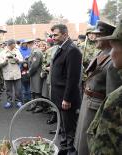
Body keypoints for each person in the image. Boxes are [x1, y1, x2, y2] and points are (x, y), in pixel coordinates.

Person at [74, 21, 122, 155]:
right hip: (88, 102)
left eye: (98, 35)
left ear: (107, 38)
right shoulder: (99, 54)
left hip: (95, 108)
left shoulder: (113, 62)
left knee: (87, 144)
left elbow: (111, 97)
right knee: (81, 140)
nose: (94, 38)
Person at [50, 24, 82, 154]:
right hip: (59, 95)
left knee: (69, 129)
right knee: (63, 126)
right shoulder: (61, 48)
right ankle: (63, 149)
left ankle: (71, 151)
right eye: (52, 35)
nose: (53, 38)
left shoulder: (72, 50)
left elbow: (73, 78)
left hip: (66, 98)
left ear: (65, 34)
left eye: (56, 35)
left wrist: (67, 99)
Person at [0, 39, 23, 108]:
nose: (15, 45)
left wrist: (17, 59)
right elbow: (0, 64)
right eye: (14, 44)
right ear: (10, 44)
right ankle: (9, 102)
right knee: (8, 90)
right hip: (7, 73)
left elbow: (21, 60)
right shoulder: (2, 52)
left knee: (18, 89)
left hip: (16, 73)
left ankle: (18, 101)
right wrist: (5, 61)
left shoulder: (17, 51)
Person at [26, 39, 44, 113]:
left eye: (28, 45)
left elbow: (34, 65)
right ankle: (34, 105)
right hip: (34, 74)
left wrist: (29, 72)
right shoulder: (33, 52)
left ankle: (39, 106)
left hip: (36, 74)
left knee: (37, 90)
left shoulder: (36, 52)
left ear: (30, 44)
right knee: (33, 90)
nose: (28, 46)